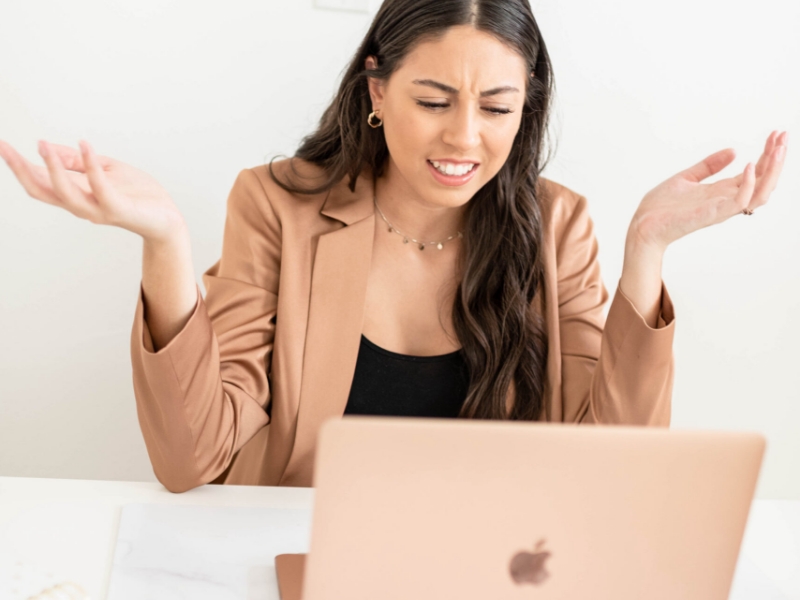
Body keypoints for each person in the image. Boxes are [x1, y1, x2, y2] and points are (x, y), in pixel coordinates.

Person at [0, 0, 787, 493]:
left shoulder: (558, 228)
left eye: (498, 108)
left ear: (526, 111)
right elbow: (191, 458)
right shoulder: (277, 206)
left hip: (498, 572)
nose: (465, 137)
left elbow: (617, 466)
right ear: (376, 91)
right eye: (434, 99)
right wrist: (165, 243)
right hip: (306, 558)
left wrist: (646, 252)